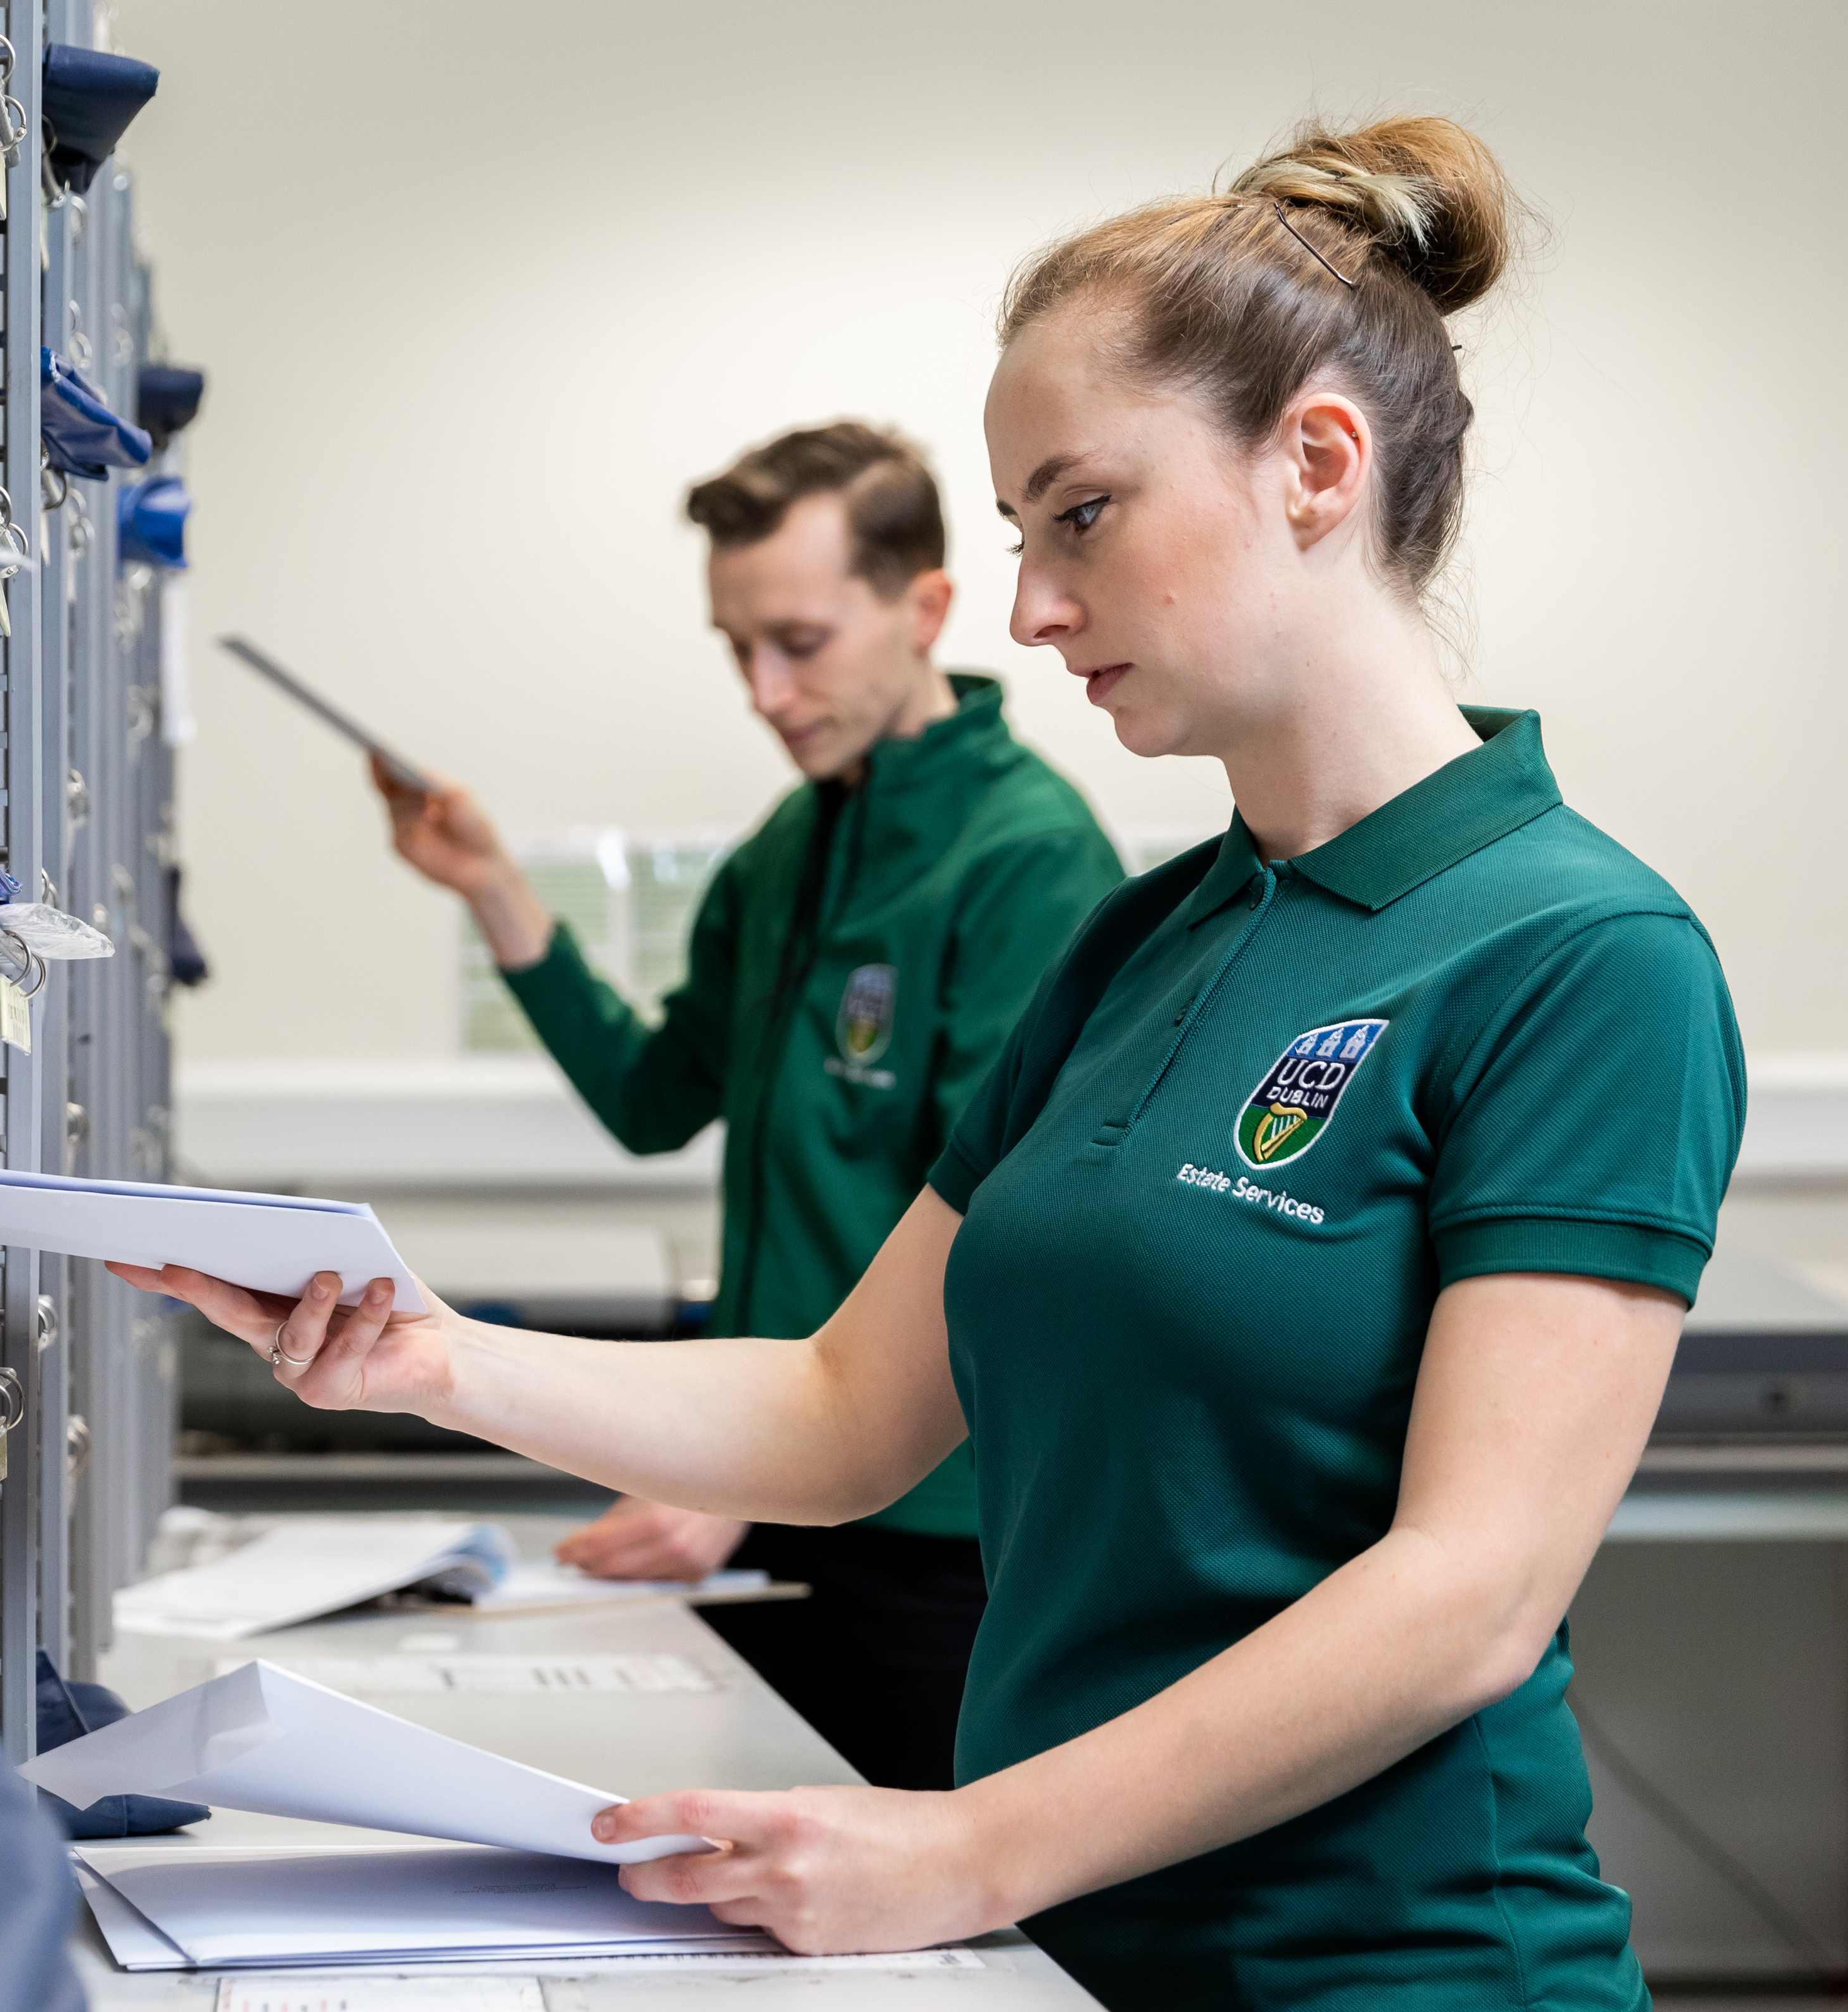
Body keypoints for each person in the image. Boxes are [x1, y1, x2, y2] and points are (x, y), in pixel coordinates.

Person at [130, 111, 1740, 2006]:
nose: (1037, 607)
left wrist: (969, 1845)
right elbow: (844, 1414)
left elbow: (1467, 1595)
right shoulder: (1149, 940)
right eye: (1022, 536)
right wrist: (424, 1354)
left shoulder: (1578, 953)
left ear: (1316, 463)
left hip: (1395, 1968)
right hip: (1075, 1952)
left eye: (1084, 514)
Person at [372, 422, 1121, 1791]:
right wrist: (494, 891)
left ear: (927, 610)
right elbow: (656, 1099)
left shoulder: (1026, 857)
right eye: (737, 649)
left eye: (800, 641)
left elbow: (997, 1237)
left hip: (936, 1529)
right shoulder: (787, 849)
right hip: (778, 1483)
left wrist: (741, 1477)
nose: (766, 691)